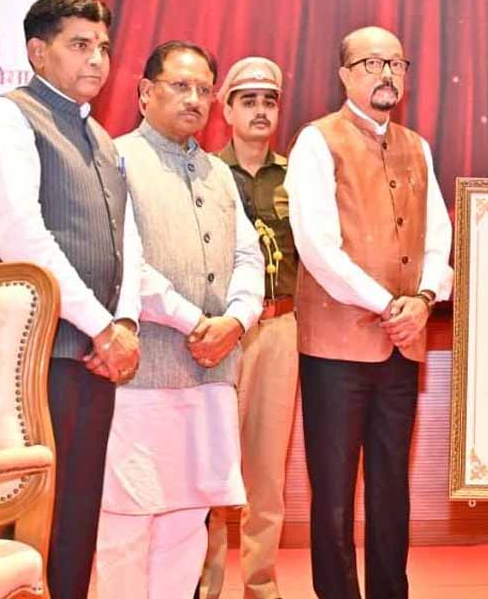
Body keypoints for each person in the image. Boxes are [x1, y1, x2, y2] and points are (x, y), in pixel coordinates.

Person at [0, 0, 141, 599]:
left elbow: (128, 240)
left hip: (96, 355)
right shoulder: (8, 117)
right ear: (37, 52)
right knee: (27, 513)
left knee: (77, 513)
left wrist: (124, 324)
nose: (97, 59)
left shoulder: (102, 138)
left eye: (103, 47)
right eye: (80, 45)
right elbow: (19, 233)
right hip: (31, 359)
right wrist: (102, 326)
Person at [285, 25, 453, 599]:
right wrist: (389, 305)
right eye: (371, 64)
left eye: (396, 64)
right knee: (333, 493)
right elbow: (317, 248)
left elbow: (439, 237)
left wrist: (423, 299)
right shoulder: (317, 142)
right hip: (335, 350)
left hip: (403, 343)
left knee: (390, 486)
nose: (386, 74)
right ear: (344, 75)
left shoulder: (417, 146)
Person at [94, 40, 264, 598]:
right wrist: (196, 323)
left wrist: (236, 321)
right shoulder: (115, 159)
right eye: (180, 86)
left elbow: (248, 258)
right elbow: (126, 262)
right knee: (127, 522)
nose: (194, 99)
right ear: (145, 93)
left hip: (211, 377)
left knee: (189, 521)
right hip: (142, 377)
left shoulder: (218, 173)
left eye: (203, 90)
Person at [200, 56, 298, 599]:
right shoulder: (206, 173)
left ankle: (261, 586)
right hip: (221, 334)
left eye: (269, 101)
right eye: (249, 101)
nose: (261, 111)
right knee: (213, 466)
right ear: (228, 110)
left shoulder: (296, 177)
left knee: (266, 472)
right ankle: (205, 585)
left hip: (280, 328)